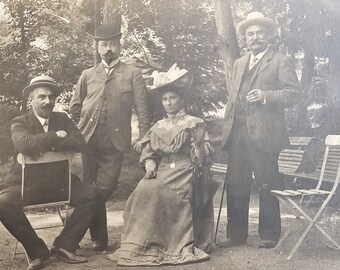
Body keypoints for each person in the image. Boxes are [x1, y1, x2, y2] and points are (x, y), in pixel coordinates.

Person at [107, 64, 218, 266]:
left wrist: (200, 144)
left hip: (186, 169)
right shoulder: (158, 126)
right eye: (165, 99)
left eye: (173, 98)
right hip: (162, 169)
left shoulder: (194, 123)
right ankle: (144, 244)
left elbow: (203, 160)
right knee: (143, 190)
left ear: (181, 99)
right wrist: (150, 167)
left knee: (165, 192)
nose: (168, 103)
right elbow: (150, 153)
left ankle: (175, 244)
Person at [0, 75, 100, 270]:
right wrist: (56, 135)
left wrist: (43, 146)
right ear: (31, 99)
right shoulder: (19, 122)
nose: (48, 102)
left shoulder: (62, 118)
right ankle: (36, 251)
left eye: (51, 97)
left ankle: (64, 245)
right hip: (25, 183)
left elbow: (79, 142)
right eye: (42, 97)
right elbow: (24, 144)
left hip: (58, 182)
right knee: (2, 203)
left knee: (92, 195)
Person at [219, 12, 300, 249]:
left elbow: (293, 94)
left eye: (259, 33)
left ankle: (269, 234)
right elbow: (233, 98)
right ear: (244, 38)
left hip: (265, 134)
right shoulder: (239, 63)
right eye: (250, 34)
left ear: (269, 36)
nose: (255, 38)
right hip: (238, 135)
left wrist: (266, 96)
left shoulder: (280, 61)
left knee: (267, 183)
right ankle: (236, 235)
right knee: (236, 183)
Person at [69, 24, 152, 251]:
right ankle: (99, 239)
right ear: (97, 47)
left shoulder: (132, 73)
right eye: (104, 44)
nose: (108, 49)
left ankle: (69, 237)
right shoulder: (88, 75)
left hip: (115, 141)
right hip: (89, 141)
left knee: (104, 188)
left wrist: (144, 139)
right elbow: (75, 107)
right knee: (90, 190)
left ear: (119, 46)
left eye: (112, 44)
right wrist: (81, 128)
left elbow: (143, 109)